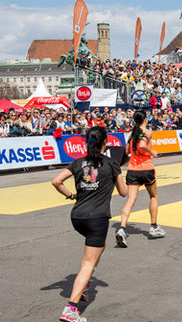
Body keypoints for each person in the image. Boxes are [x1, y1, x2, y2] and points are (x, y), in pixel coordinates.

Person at [51, 126, 127, 322]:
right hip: (97, 217)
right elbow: (124, 192)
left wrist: (71, 195)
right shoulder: (111, 163)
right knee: (88, 263)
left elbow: (56, 181)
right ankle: (71, 309)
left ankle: (83, 286)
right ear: (105, 142)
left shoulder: (78, 163)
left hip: (78, 217)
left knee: (97, 249)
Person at [116, 110, 166, 248]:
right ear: (144, 120)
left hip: (132, 169)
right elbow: (143, 145)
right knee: (153, 196)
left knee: (130, 200)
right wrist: (152, 152)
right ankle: (154, 226)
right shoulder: (147, 132)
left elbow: (127, 151)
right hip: (146, 168)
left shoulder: (132, 134)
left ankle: (122, 228)